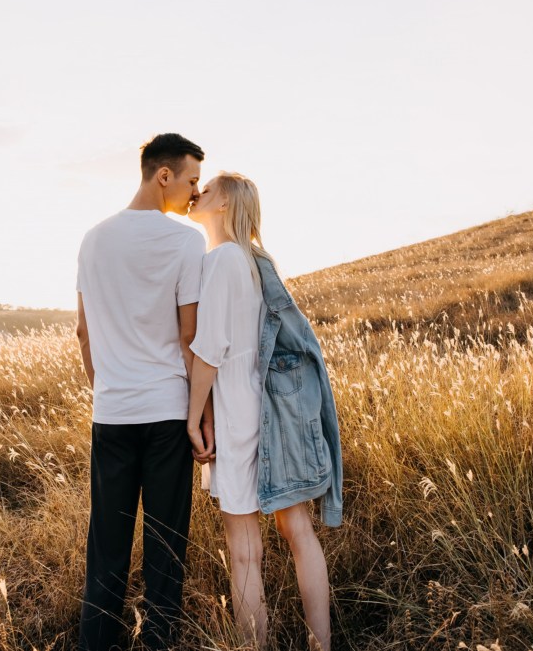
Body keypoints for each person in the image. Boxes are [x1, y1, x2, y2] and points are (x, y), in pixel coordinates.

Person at [185, 171, 341, 651]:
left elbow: (210, 350)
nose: (197, 192)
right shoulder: (254, 260)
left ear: (226, 203)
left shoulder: (223, 259)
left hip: (235, 412)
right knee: (297, 530)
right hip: (271, 406)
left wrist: (194, 417)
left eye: (206, 188)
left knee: (245, 553)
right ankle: (321, 644)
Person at [74, 132, 214, 651]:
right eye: (191, 179)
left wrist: (108, 389)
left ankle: (96, 644)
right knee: (165, 546)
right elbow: (188, 338)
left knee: (106, 546)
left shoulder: (93, 238)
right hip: (166, 415)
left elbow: (83, 332)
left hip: (112, 413)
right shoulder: (184, 242)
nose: (194, 193)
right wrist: (202, 419)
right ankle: (157, 642)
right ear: (164, 176)